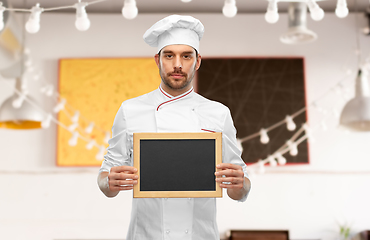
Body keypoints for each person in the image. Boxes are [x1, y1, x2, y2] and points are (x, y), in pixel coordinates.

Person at [97, 15, 251, 240]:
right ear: (158, 60)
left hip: (200, 235)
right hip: (146, 235)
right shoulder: (130, 110)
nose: (177, 64)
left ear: (197, 61)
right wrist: (108, 181)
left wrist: (240, 183)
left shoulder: (218, 113)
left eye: (186, 56)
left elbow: (240, 187)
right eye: (169, 55)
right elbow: (106, 176)